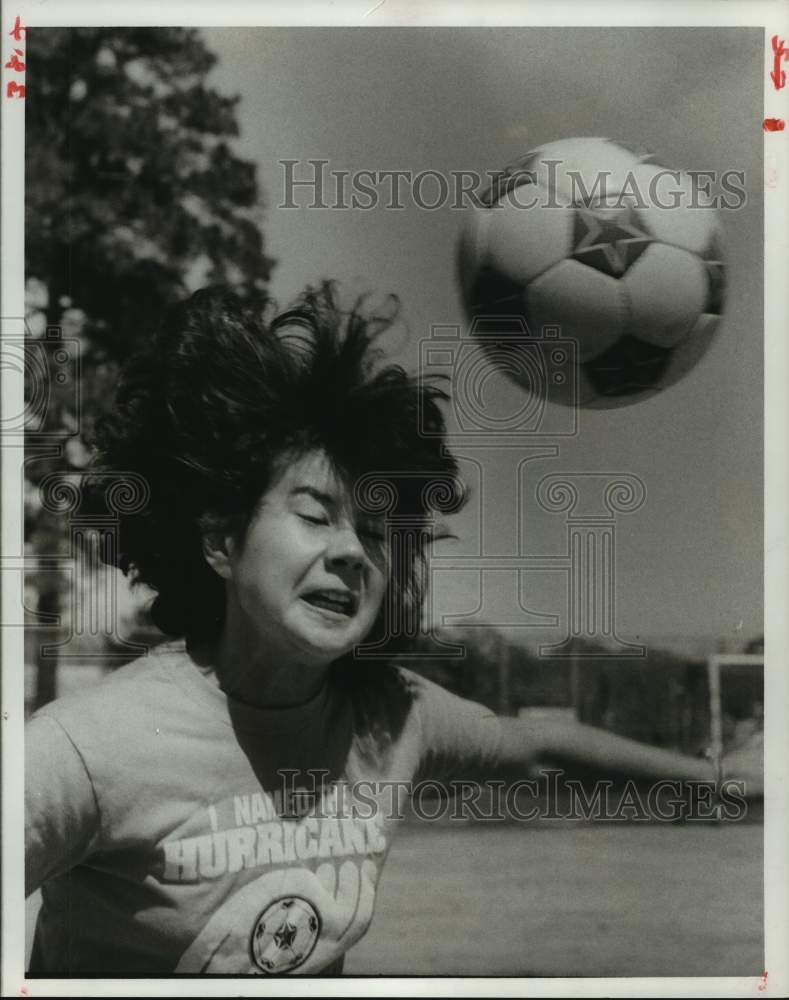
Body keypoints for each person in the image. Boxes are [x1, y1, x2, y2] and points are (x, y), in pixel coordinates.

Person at [25, 284, 761, 976]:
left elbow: (544, 750)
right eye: (315, 515)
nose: (352, 550)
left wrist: (729, 783)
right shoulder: (89, 750)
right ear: (221, 541)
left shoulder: (390, 715)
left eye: (376, 532)